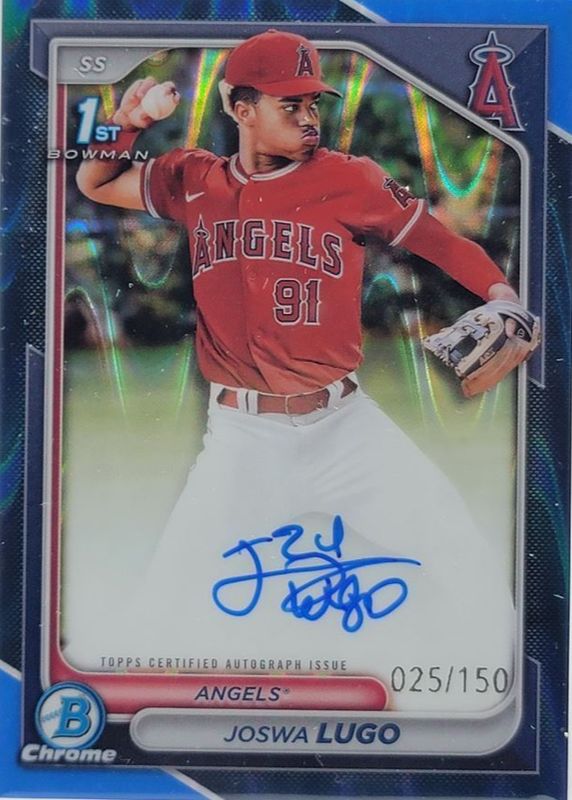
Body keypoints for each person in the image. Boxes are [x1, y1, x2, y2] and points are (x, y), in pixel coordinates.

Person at [74, 30, 523, 713]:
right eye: (290, 104)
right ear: (241, 107)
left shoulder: (350, 179)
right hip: (241, 441)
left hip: (346, 431)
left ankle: (515, 704)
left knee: (462, 550)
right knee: (164, 603)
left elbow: (440, 242)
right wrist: (127, 124)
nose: (310, 116)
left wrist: (503, 295)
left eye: (314, 102)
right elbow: (97, 182)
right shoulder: (194, 179)